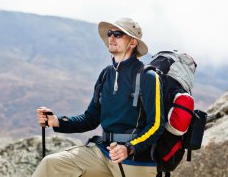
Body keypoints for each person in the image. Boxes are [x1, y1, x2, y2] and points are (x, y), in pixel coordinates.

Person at [32, 17, 165, 177]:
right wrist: (57, 121)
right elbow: (90, 119)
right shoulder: (106, 74)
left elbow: (157, 125)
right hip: (103, 152)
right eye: (110, 33)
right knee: (51, 164)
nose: (112, 37)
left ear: (133, 42)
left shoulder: (148, 77)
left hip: (134, 160)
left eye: (119, 34)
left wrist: (129, 148)